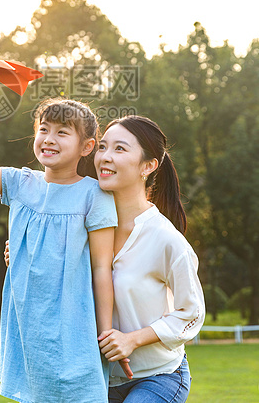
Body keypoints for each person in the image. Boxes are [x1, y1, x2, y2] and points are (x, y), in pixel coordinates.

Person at [0, 72, 131, 403]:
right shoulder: (20, 184)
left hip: (74, 330)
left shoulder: (94, 195)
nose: (49, 138)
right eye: (43, 130)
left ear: (87, 147)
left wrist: (106, 334)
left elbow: (101, 269)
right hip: (29, 330)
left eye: (62, 132)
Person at [95, 115, 205, 402]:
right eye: (102, 147)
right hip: (97, 378)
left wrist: (132, 339)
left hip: (159, 376)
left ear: (148, 166)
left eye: (119, 149)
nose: (105, 157)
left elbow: (192, 313)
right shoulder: (86, 226)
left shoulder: (165, 239)